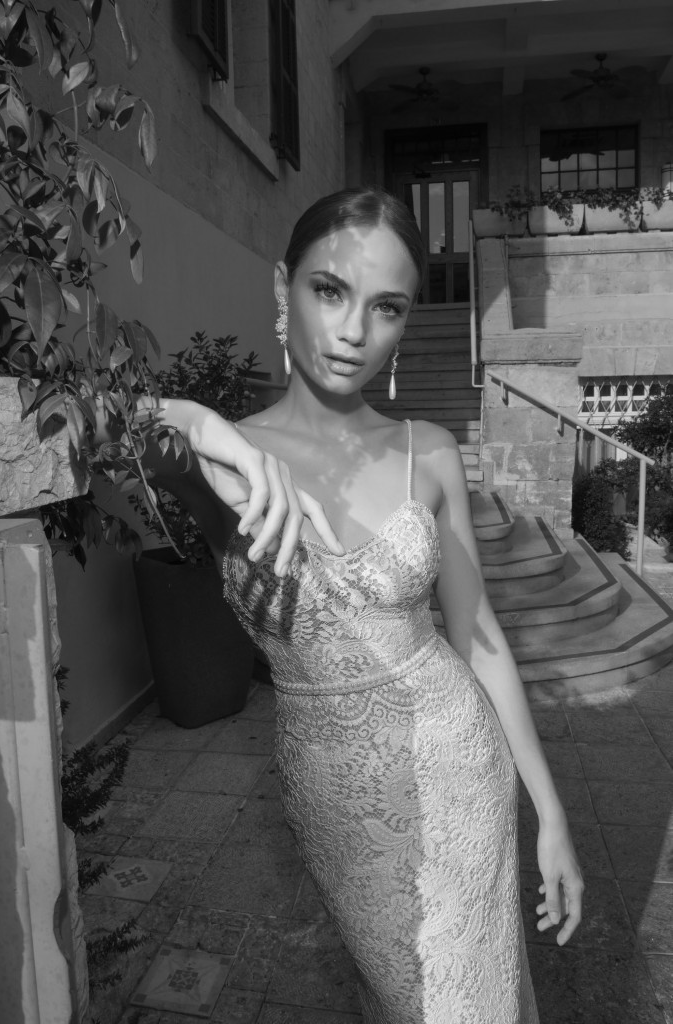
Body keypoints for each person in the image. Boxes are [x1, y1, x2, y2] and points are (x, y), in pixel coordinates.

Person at [142, 187, 584, 1023]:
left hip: (459, 767)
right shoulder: (220, 458)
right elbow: (78, 427)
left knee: (469, 1000)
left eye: (385, 307)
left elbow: (478, 637)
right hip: (333, 795)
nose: (354, 331)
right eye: (329, 290)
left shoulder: (429, 451)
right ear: (283, 289)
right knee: (399, 995)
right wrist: (194, 419)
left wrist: (551, 812)